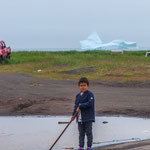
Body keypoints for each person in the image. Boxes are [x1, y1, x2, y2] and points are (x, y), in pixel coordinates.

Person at [71, 77, 95, 150]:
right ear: (79, 86)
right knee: (81, 133)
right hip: (79, 118)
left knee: (89, 133)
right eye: (81, 85)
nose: (83, 87)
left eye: (84, 85)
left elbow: (90, 104)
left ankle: (89, 147)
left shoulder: (90, 94)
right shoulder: (78, 96)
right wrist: (73, 115)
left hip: (88, 118)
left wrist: (81, 106)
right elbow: (76, 106)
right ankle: (81, 147)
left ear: (87, 86)